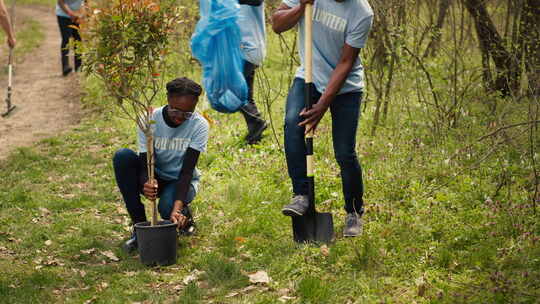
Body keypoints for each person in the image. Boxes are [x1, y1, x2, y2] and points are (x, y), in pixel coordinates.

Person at [272, 0, 373, 236]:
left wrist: (322, 105)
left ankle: (354, 212)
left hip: (346, 87)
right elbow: (277, 24)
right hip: (309, 75)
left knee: (344, 152)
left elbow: (346, 61)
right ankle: (301, 195)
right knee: (292, 124)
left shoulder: (362, 13)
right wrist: (301, 7)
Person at [113, 77, 209, 252]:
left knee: (166, 208)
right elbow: (144, 164)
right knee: (123, 157)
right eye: (175, 110)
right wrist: (146, 181)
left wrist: (176, 208)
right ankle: (139, 227)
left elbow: (187, 172)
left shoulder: (199, 125)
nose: (180, 117)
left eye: (187, 113)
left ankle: (184, 217)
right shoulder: (149, 119)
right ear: (168, 99)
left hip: (179, 181)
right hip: (153, 174)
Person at [237, 0, 268, 144]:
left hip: (248, 50)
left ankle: (257, 122)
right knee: (246, 96)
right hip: (243, 50)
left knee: (231, 90)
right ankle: (255, 136)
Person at [56, 0, 83, 76]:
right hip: (63, 15)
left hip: (78, 15)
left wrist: (83, 13)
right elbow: (60, 2)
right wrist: (70, 13)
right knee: (66, 39)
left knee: (78, 40)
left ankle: (79, 67)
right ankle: (65, 67)